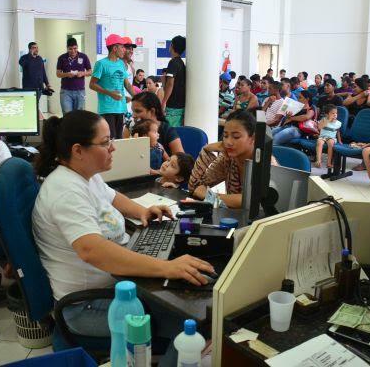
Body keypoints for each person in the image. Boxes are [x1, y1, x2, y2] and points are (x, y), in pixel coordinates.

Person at [32, 111, 213, 365]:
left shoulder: (85, 176)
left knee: (194, 310)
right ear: (78, 150)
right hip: (88, 306)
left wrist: (142, 211)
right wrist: (167, 267)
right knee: (191, 327)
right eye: (105, 142)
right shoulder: (65, 191)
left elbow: (113, 198)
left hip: (115, 286)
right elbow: (92, 251)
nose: (113, 147)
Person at [189, 110, 256, 208]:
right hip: (231, 219)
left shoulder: (265, 162)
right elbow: (195, 188)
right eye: (225, 136)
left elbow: (253, 201)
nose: (228, 142)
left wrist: (211, 197)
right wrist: (207, 150)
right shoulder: (227, 159)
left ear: (253, 138)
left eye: (236, 137)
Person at [89, 34, 135, 139]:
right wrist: (110, 93)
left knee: (119, 138)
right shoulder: (101, 64)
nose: (125, 50)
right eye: (122, 47)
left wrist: (138, 97)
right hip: (107, 109)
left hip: (121, 107)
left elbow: (126, 84)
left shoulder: (121, 64)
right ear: (114, 48)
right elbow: (92, 84)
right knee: (111, 139)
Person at [56, 38, 92, 114]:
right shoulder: (62, 58)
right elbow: (58, 74)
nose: (73, 51)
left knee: (79, 115)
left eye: (75, 48)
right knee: (67, 114)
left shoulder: (83, 57)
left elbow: (90, 71)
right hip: (66, 92)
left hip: (80, 91)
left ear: (77, 47)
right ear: (67, 48)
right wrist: (67, 74)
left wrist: (82, 73)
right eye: (70, 49)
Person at [162, 35, 186, 127]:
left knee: (171, 133)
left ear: (172, 45)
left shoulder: (173, 62)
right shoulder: (181, 63)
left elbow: (170, 84)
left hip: (173, 106)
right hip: (180, 105)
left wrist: (164, 102)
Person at [314, 104, 341, 169]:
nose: (335, 115)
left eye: (336, 113)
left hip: (331, 137)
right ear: (327, 114)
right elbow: (320, 127)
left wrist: (340, 140)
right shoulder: (324, 120)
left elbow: (338, 132)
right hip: (322, 136)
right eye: (333, 113)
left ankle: (329, 162)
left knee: (331, 143)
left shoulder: (338, 123)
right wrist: (328, 120)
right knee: (319, 142)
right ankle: (318, 160)